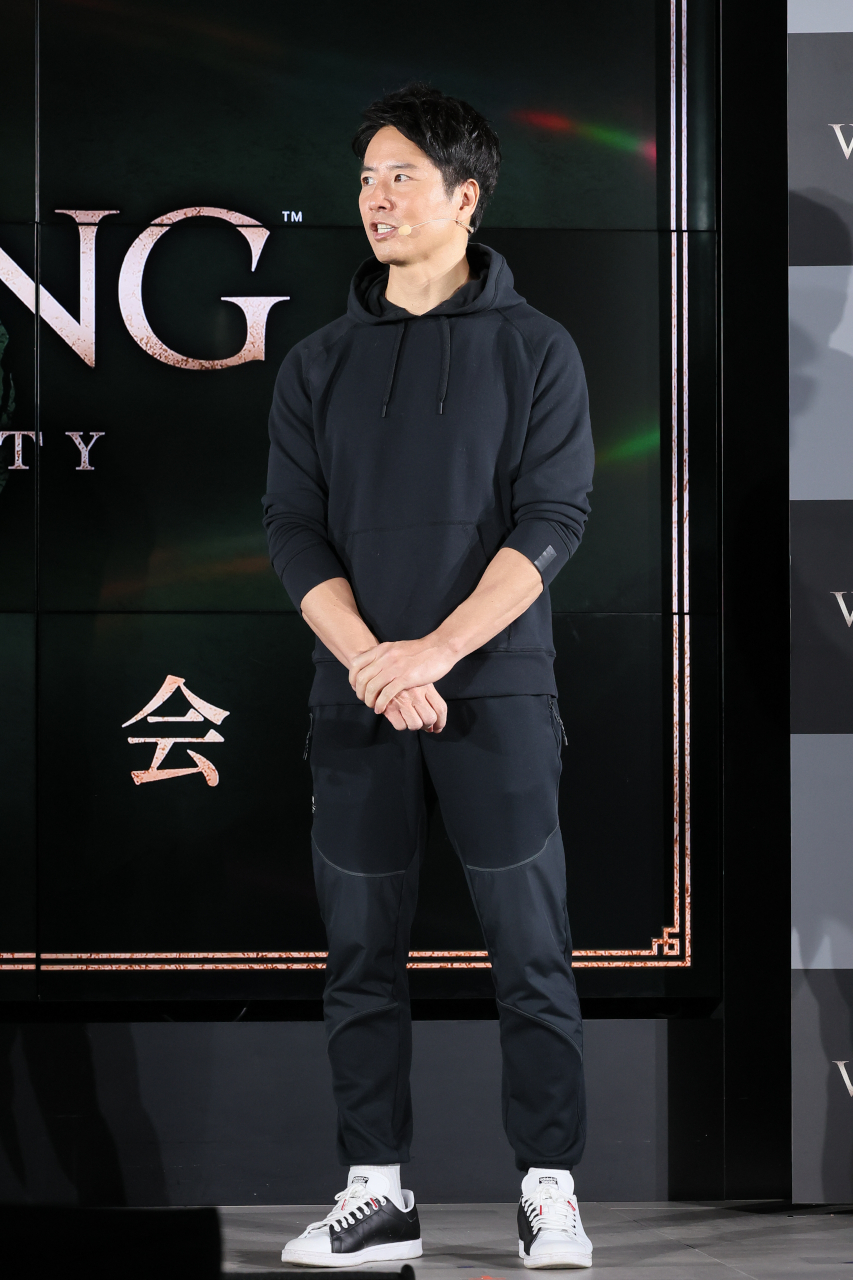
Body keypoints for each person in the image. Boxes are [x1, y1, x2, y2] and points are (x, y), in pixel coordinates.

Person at [263, 82, 595, 1270]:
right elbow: (293, 530)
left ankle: (549, 1190)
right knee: (360, 953)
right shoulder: (316, 362)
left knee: (531, 950)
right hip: (355, 698)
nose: (376, 197)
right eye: (366, 178)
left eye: (401, 175)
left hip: (495, 693)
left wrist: (437, 653)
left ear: (465, 195)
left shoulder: (536, 348)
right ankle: (376, 1191)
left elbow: (553, 520)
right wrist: (372, 661)